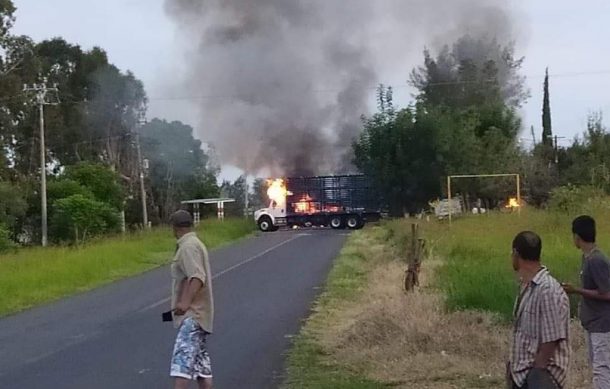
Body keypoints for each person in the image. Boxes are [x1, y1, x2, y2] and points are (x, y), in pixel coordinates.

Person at [508, 231, 570, 389]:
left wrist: (537, 371)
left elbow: (552, 338)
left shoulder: (546, 289)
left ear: (516, 253)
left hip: (539, 377)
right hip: (522, 374)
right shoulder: (528, 286)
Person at [168, 210, 214, 389]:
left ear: (175, 227)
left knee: (181, 366)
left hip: (192, 317)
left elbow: (196, 276)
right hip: (200, 318)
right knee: (202, 367)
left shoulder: (187, 247)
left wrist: (185, 302)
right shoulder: (195, 243)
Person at [563, 215, 610, 388]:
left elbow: (606, 293)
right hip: (592, 322)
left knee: (601, 368)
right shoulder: (587, 257)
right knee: (596, 365)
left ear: (577, 237)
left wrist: (576, 291)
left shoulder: (597, 260)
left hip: (602, 324)